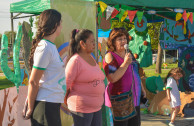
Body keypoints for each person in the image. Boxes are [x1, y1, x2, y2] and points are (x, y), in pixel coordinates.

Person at [26, 9, 64, 126]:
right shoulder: (45, 47)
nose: (62, 25)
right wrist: (30, 108)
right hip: (45, 105)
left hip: (52, 104)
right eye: (60, 22)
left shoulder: (50, 47)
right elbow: (33, 81)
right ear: (55, 25)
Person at [103, 28, 144, 126]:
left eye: (125, 38)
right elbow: (112, 78)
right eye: (120, 39)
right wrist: (125, 63)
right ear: (113, 42)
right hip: (120, 100)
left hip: (134, 99)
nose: (123, 41)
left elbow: (135, 73)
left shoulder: (128, 54)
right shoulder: (110, 56)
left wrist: (142, 88)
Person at [65, 29, 105, 126]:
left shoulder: (91, 58)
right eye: (91, 41)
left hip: (96, 107)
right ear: (82, 43)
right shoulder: (75, 61)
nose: (94, 44)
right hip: (81, 109)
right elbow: (65, 84)